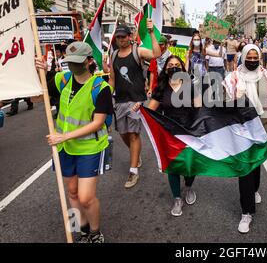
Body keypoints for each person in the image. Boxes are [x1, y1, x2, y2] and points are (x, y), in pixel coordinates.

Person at [35, 42, 114, 243]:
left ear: (89, 61)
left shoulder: (101, 87)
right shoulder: (62, 79)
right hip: (65, 148)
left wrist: (64, 136)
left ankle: (96, 233)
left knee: (86, 197)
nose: (72, 66)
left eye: (77, 62)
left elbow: (97, 123)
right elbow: (39, 94)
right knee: (71, 192)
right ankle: (81, 230)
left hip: (90, 147)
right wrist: (40, 73)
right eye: (69, 62)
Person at [223, 44, 267, 234]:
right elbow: (223, 104)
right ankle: (246, 212)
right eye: (247, 57)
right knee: (245, 168)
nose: (251, 60)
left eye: (254, 57)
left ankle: (255, 190)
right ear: (242, 57)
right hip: (241, 128)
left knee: (256, 163)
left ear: (259, 58)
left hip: (262, 126)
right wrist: (233, 99)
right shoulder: (232, 78)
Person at [135, 56, 201, 216]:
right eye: (170, 65)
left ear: (182, 68)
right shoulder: (161, 88)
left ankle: (189, 186)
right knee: (173, 167)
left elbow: (200, 109)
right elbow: (150, 110)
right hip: (169, 133)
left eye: (177, 65)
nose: (174, 67)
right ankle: (177, 198)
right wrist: (140, 107)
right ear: (165, 69)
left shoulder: (191, 87)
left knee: (190, 166)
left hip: (189, 132)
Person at [106, 21, 161, 189]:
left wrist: (151, 33)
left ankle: (133, 170)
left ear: (130, 37)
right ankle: (136, 156)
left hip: (137, 100)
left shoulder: (138, 51)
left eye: (123, 37)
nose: (120, 40)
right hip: (120, 101)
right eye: (118, 37)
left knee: (133, 135)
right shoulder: (114, 55)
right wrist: (106, 95)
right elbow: (113, 78)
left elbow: (156, 54)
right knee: (123, 134)